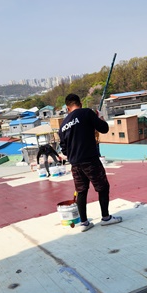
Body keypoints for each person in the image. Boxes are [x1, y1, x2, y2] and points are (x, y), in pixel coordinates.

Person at [59, 93, 122, 232]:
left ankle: (84, 223)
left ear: (67, 108)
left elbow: (64, 149)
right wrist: (99, 118)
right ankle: (106, 218)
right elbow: (104, 128)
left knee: (81, 191)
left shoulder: (63, 125)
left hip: (75, 164)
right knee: (102, 187)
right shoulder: (86, 113)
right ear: (80, 104)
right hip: (90, 160)